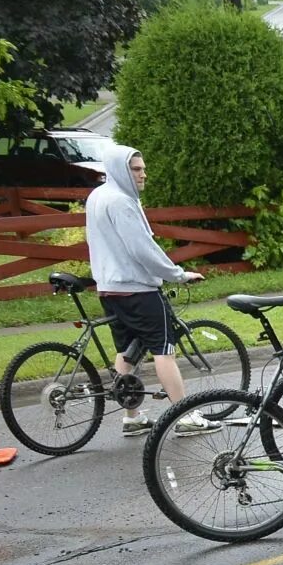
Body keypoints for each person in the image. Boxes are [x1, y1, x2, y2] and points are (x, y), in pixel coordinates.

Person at [83, 144, 212, 437]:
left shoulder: (98, 196)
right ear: (119, 170)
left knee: (127, 352)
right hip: (137, 289)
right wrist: (176, 274)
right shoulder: (122, 202)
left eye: (143, 169)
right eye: (136, 169)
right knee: (163, 349)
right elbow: (143, 249)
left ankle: (132, 416)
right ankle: (185, 415)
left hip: (110, 289)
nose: (143, 175)